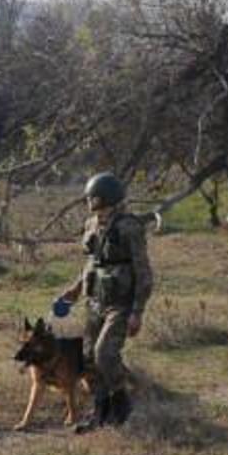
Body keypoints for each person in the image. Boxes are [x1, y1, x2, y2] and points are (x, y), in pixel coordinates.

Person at [59, 172, 154, 432]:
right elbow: (93, 261)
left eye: (93, 196)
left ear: (106, 198)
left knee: (105, 354)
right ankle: (100, 411)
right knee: (87, 358)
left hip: (120, 304)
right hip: (95, 300)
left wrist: (138, 311)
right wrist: (76, 289)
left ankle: (121, 404)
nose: (88, 200)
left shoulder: (129, 227)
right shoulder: (92, 224)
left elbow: (143, 271)